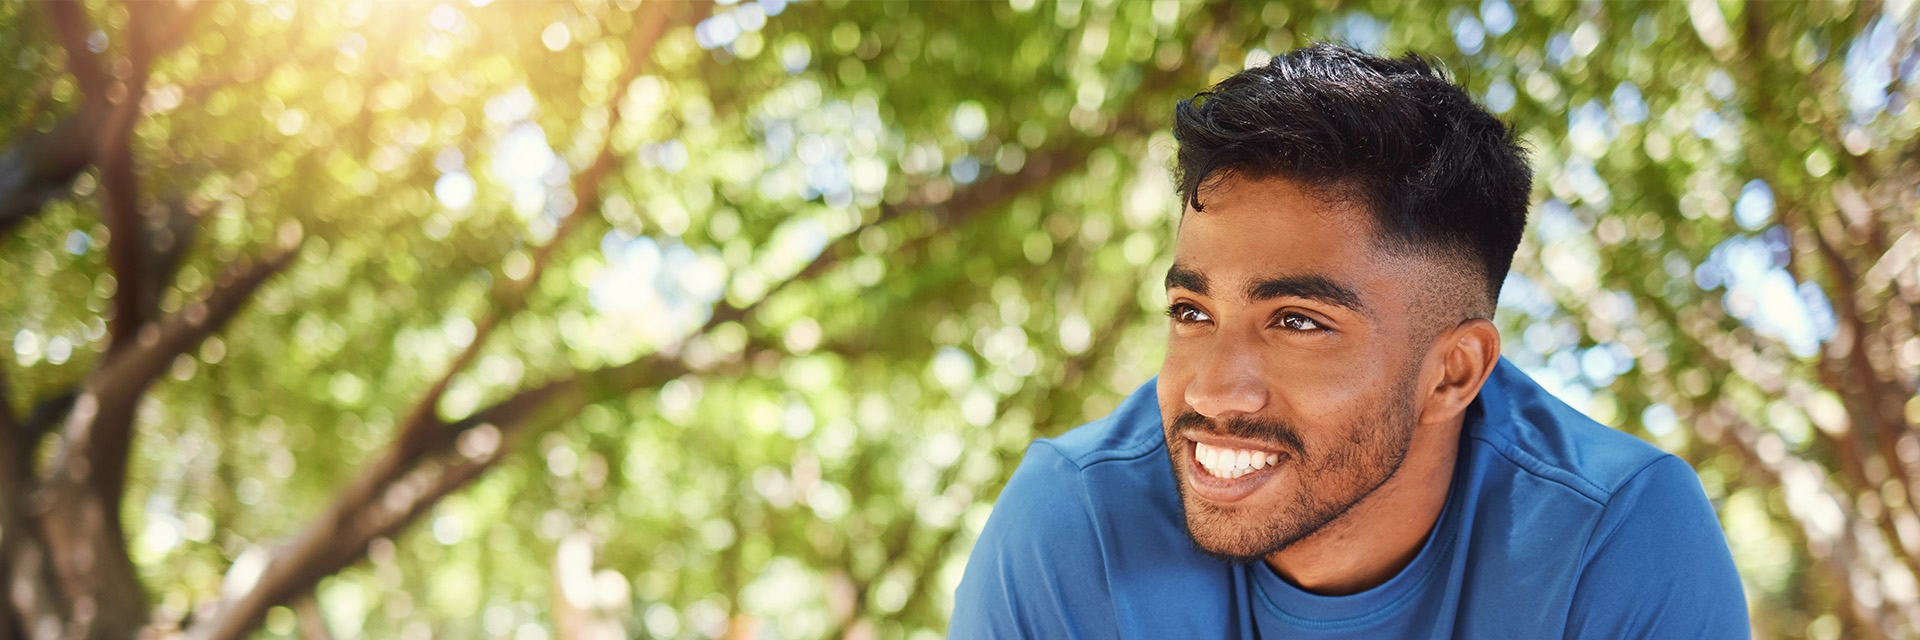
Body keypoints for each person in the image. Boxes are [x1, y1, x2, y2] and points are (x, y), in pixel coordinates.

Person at [949, 43, 1748, 638]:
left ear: (1453, 374)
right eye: (1193, 311)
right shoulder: (1073, 521)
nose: (1210, 391)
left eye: (1297, 321)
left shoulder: (1614, 538)